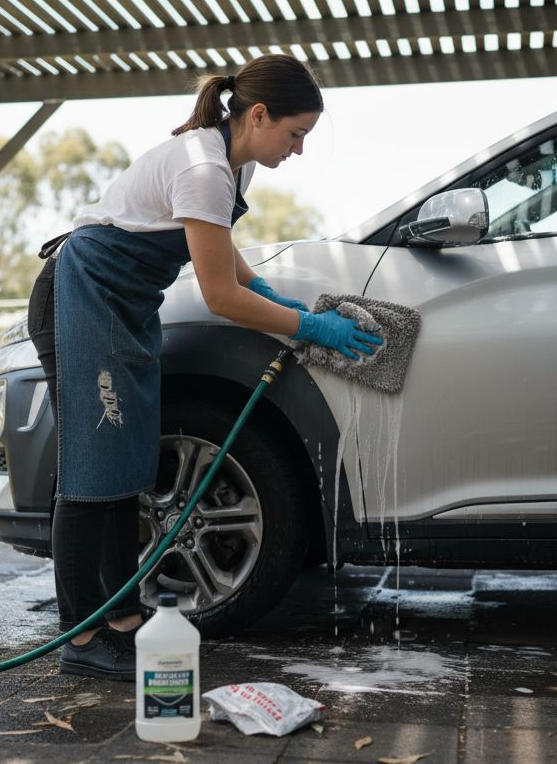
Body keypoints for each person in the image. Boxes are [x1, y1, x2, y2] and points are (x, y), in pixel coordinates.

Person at [26, 54, 382, 681]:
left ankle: (122, 621)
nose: (297, 151)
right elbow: (219, 296)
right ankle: (81, 640)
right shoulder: (204, 167)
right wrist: (309, 326)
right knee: (93, 467)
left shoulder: (228, 168)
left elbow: (221, 253)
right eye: (295, 134)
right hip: (81, 295)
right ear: (260, 114)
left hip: (123, 306)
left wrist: (271, 296)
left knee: (127, 462)